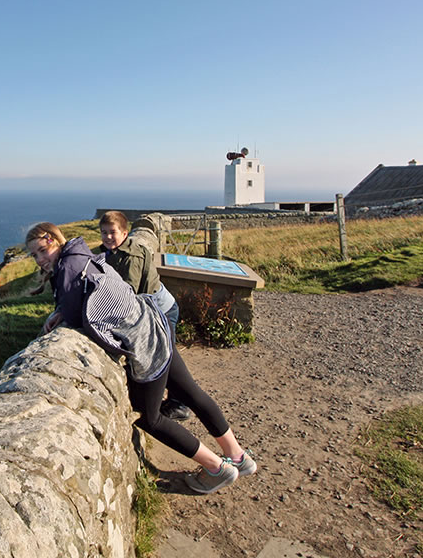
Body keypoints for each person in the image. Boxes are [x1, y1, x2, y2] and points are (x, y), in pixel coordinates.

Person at [26, 222, 256, 494]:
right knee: (191, 392)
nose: (40, 259)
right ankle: (238, 456)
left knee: (149, 416)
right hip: (154, 323)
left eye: (43, 251)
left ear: (55, 240)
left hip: (145, 343)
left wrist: (62, 312)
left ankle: (217, 468)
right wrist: (62, 310)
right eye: (35, 255)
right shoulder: (81, 254)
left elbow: (77, 316)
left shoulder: (68, 268)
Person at [98, 211, 191, 421]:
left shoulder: (132, 257)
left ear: (125, 233)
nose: (108, 237)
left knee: (166, 357)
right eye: (104, 232)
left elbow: (128, 292)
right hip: (151, 309)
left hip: (163, 310)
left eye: (113, 232)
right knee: (164, 355)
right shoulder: (111, 252)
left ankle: (181, 404)